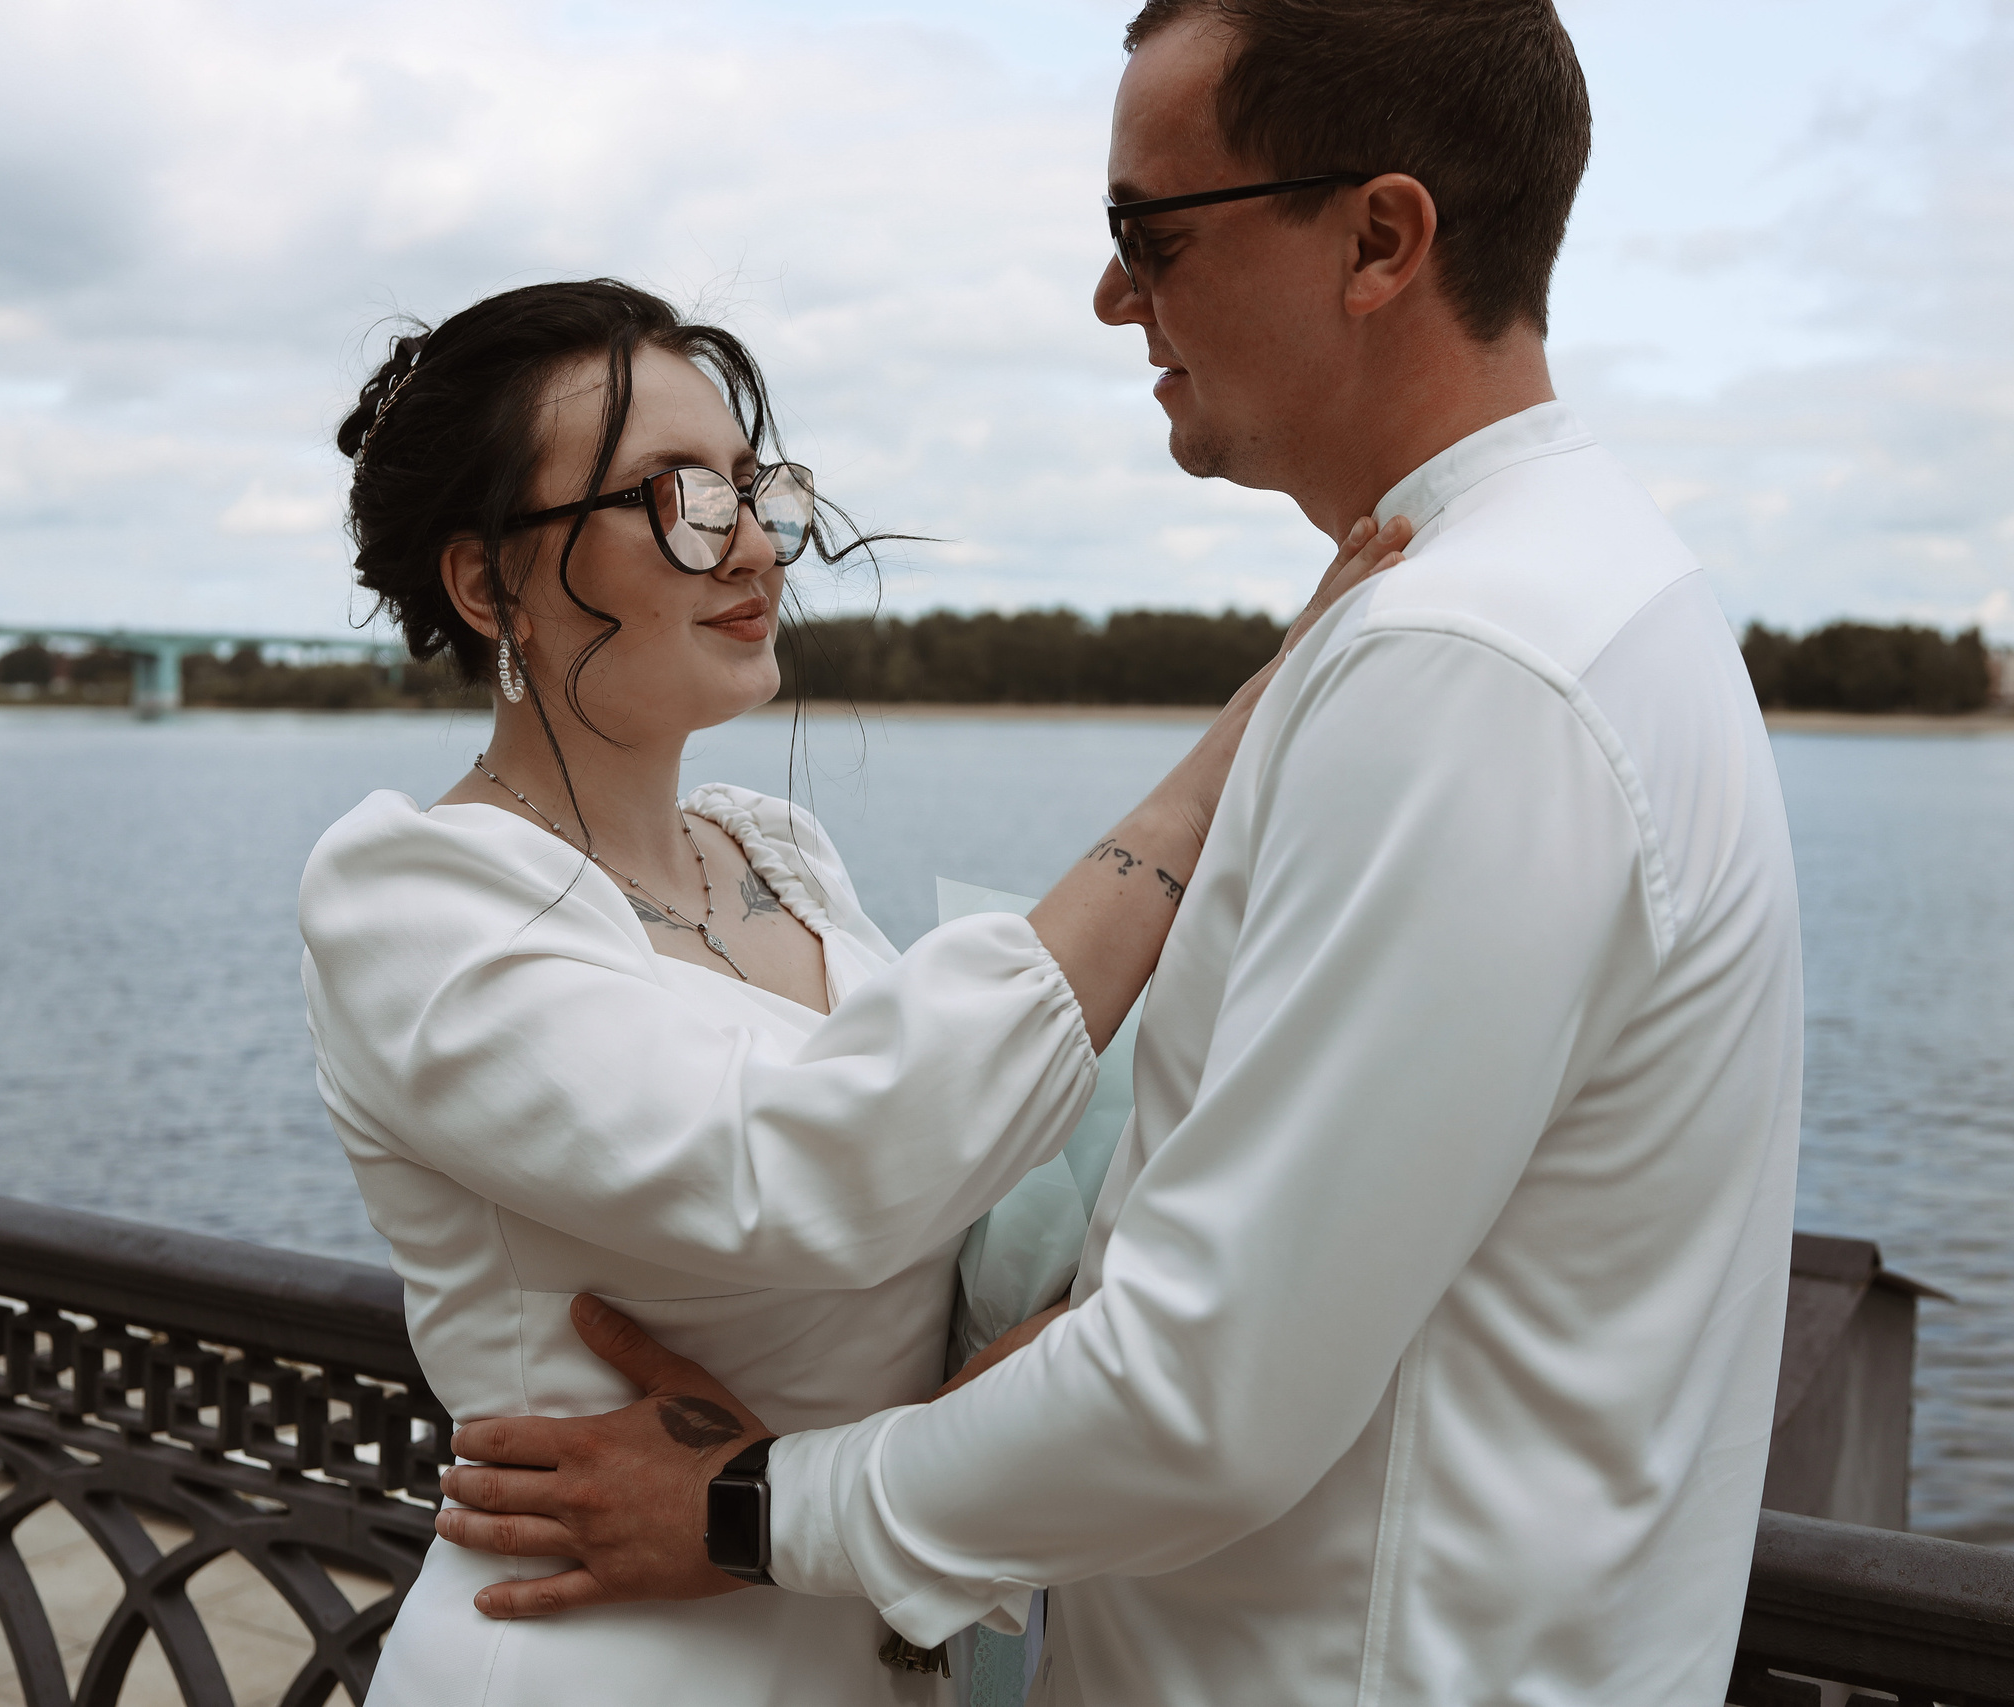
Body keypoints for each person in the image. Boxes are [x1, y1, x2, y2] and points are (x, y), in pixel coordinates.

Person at [433, 4, 1806, 1705]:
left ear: (1379, 239)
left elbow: (1204, 1387)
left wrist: (754, 1509)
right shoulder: (1574, 604)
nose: (1111, 299)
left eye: (1148, 234)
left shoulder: (1466, 666)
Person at [297, 277, 1406, 1705]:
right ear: (486, 581)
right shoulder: (415, 902)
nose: (751, 541)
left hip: (840, 1635)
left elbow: (943, 1223)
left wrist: (785, 1501)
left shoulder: (780, 855)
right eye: (673, 498)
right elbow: (820, 1166)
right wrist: (1233, 751)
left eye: (752, 488)